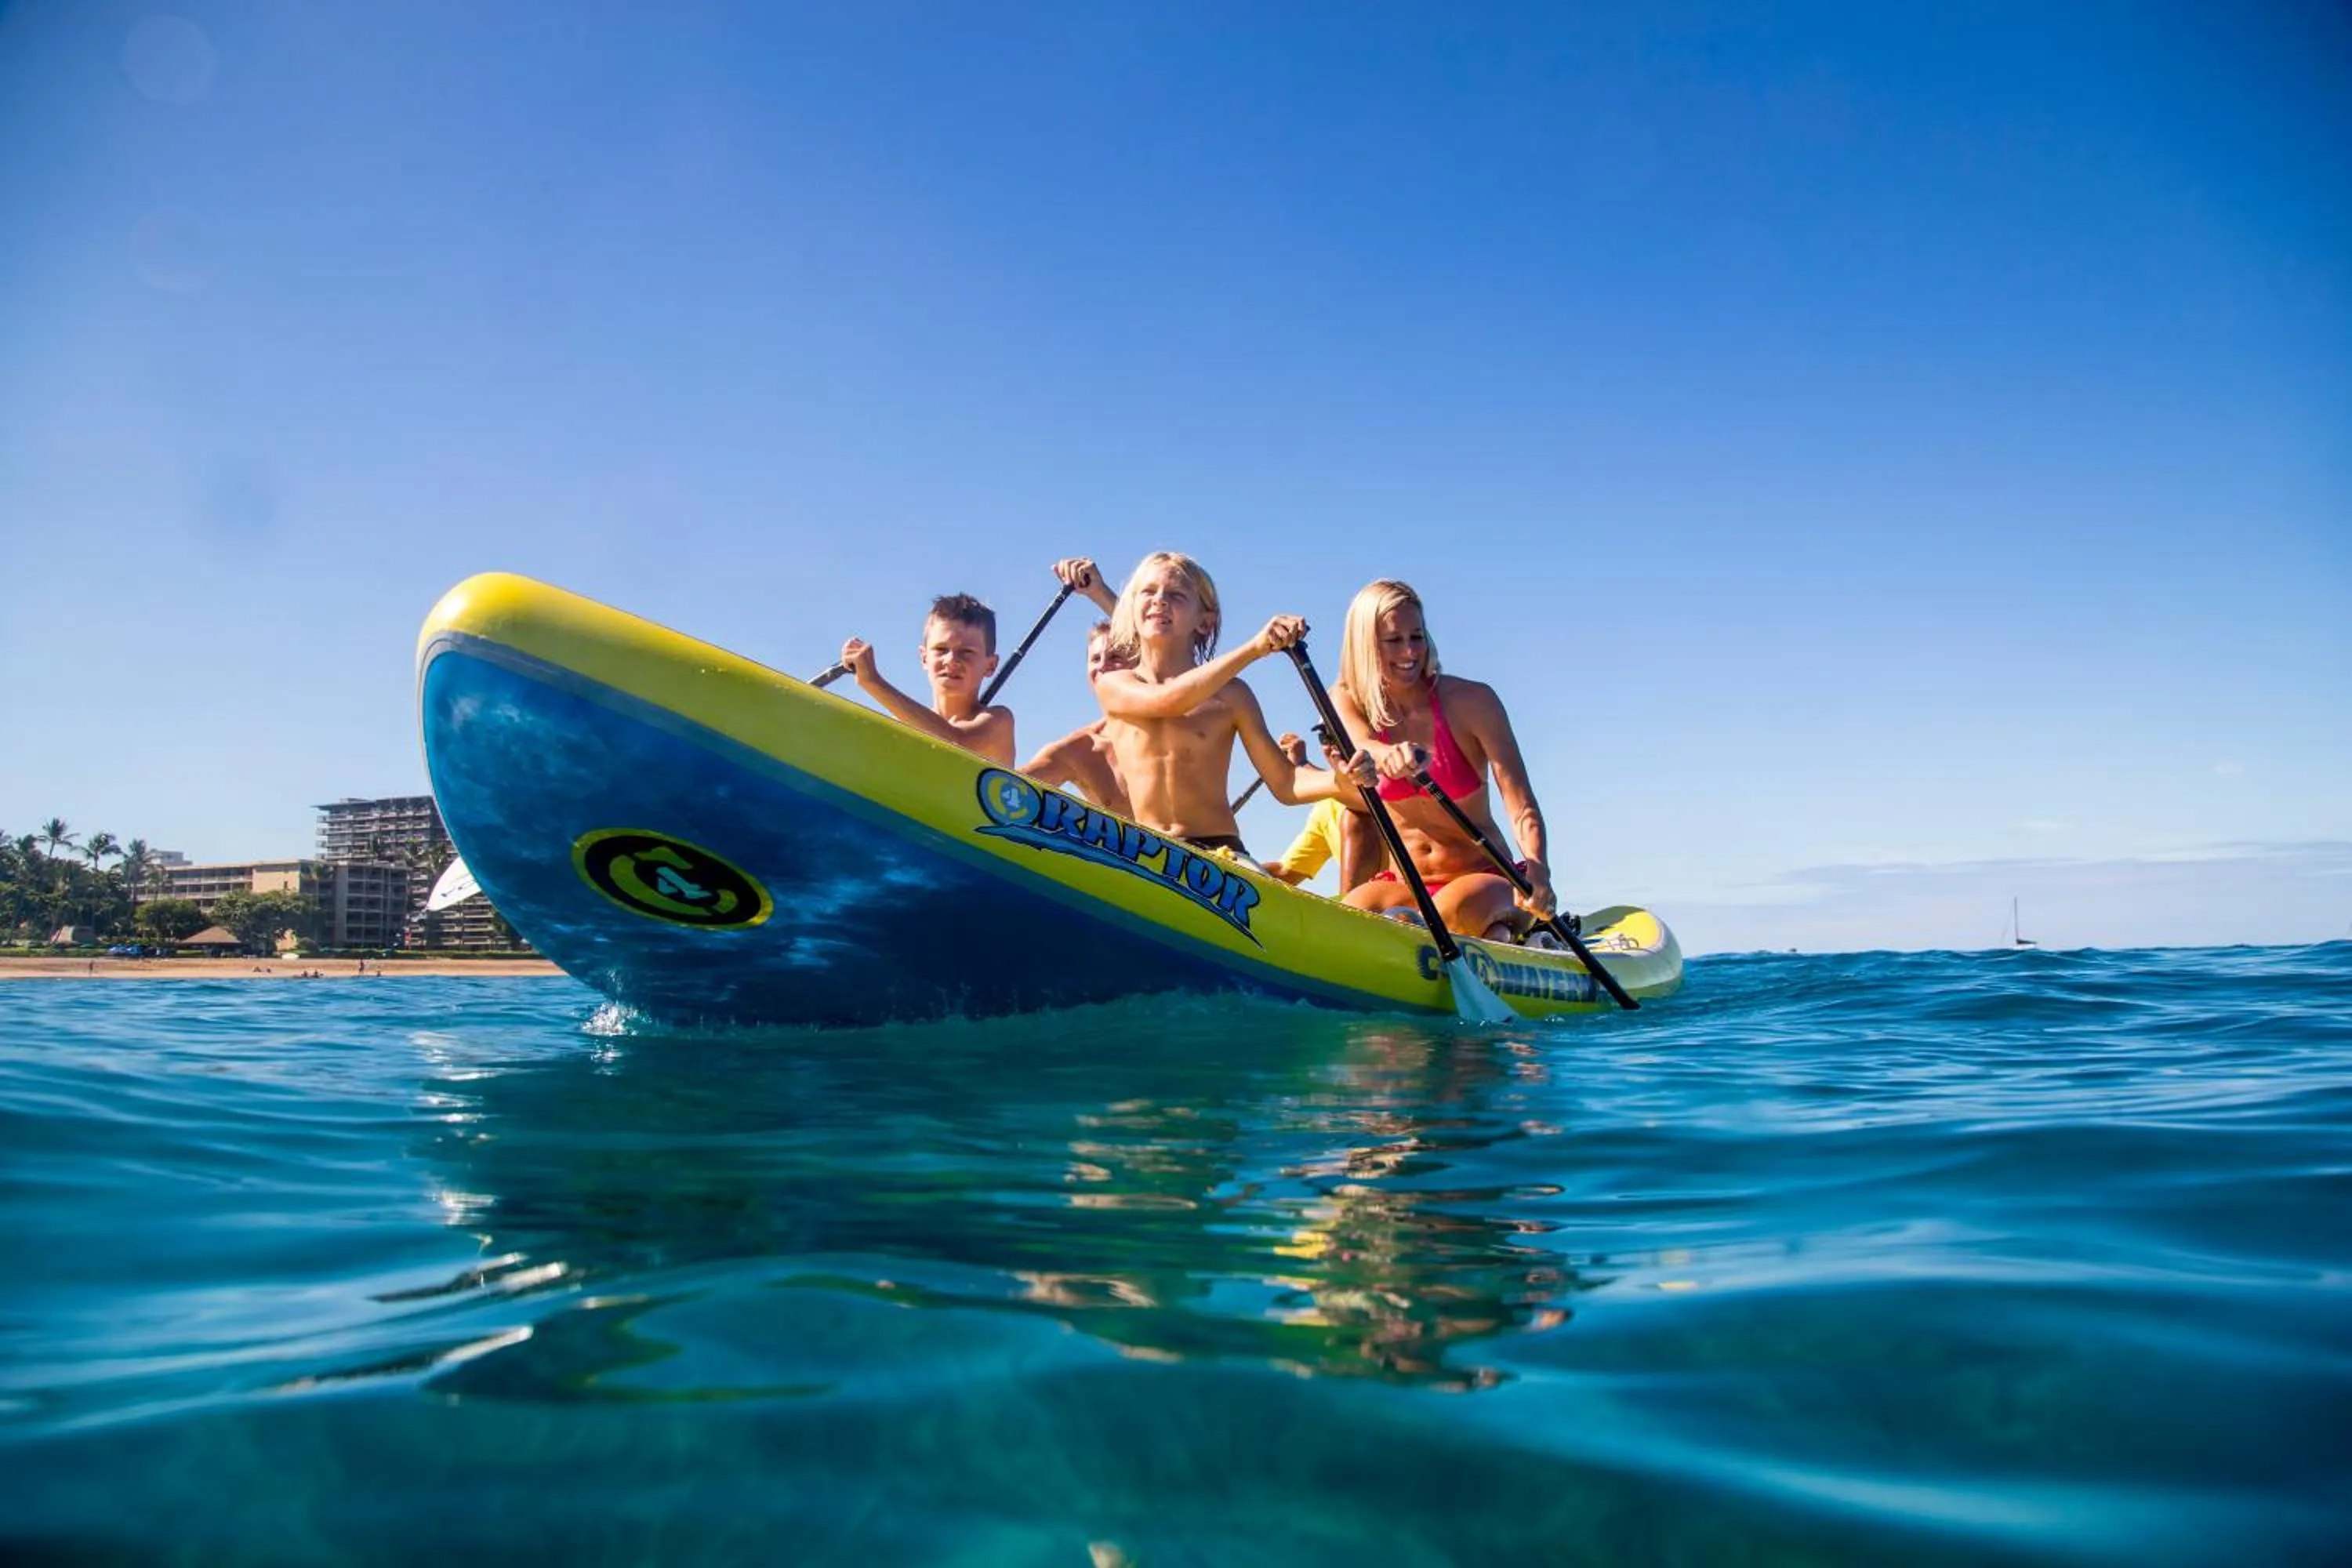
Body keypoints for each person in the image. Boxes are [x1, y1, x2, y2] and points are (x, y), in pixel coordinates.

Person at [1089, 551, 1370, 859]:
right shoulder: (1115, 684)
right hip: (1150, 853)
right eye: (1148, 591)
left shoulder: (1233, 696)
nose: (1159, 600)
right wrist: (1254, 649)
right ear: (1129, 609)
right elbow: (1169, 701)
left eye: (1176, 594)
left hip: (1221, 853)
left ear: (1205, 622)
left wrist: (1337, 781)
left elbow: (1285, 782)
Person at [1332, 579, 1557, 942]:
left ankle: (1506, 932)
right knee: (1349, 920)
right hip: (1406, 885)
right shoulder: (1346, 699)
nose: (1409, 652)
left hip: (1483, 876)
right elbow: (1362, 741)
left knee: (1447, 915)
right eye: (1393, 640)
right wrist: (1386, 754)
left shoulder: (1473, 701)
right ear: (1364, 645)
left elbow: (1521, 805)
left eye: (1417, 637)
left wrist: (1538, 869)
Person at [840, 593, 1016, 765]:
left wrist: (873, 682)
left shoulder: (998, 722)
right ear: (924, 658)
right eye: (941, 649)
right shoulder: (902, 727)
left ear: (990, 665)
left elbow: (957, 742)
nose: (951, 661)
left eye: (967, 652)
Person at [1020, 620, 1134, 815]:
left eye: (1115, 656)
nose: (1103, 666)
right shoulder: (1080, 749)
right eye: (1095, 659)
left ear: (1139, 664)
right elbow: (1008, 786)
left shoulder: (1174, 726)